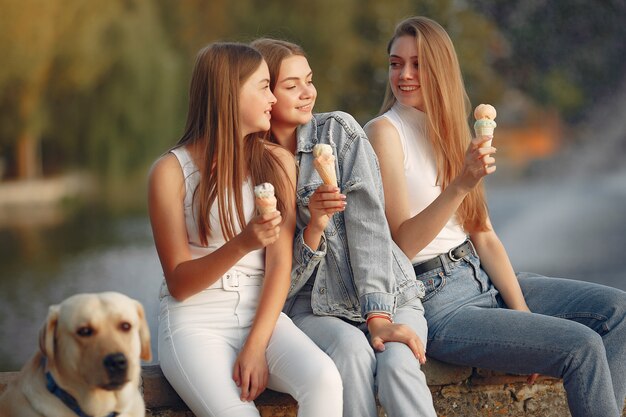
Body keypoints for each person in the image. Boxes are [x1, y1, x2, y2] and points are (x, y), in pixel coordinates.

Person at [365, 16, 626, 417]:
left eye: (417, 63)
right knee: (581, 347)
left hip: (480, 276)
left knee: (619, 312)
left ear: (441, 69)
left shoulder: (452, 131)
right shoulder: (385, 132)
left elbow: (483, 233)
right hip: (438, 300)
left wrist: (522, 316)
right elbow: (403, 243)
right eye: (396, 63)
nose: (404, 74)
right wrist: (460, 184)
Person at [148, 42, 342, 417]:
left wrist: (256, 343)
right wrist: (242, 243)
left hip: (262, 314)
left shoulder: (277, 163)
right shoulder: (170, 172)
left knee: (324, 380)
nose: (273, 98)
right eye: (264, 86)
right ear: (229, 93)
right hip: (195, 323)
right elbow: (179, 283)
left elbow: (279, 266)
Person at [251, 38, 438, 417]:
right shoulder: (254, 166)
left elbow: (369, 225)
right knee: (351, 353)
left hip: (388, 292)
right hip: (312, 307)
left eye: (309, 80)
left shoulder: (338, 132)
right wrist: (314, 227)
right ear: (263, 93)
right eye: (291, 86)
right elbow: (279, 281)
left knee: (399, 366)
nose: (308, 93)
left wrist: (379, 318)